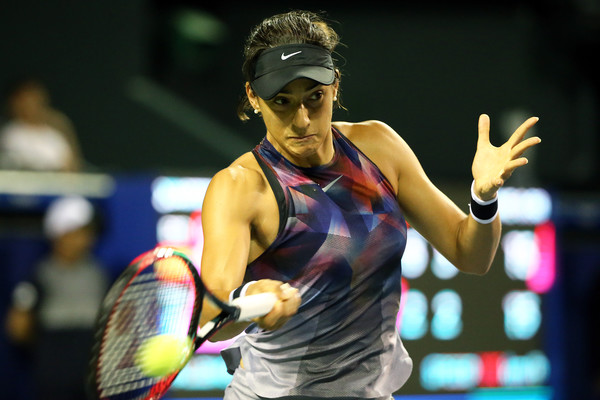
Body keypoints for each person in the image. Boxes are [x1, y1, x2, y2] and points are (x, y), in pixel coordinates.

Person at [198, 10, 541, 400]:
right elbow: (212, 317)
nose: (302, 119)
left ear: (335, 87)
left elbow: (471, 256)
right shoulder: (240, 187)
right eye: (282, 102)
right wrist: (250, 302)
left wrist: (483, 197)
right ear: (253, 98)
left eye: (315, 97)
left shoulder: (379, 147)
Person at [4, 196, 109, 400]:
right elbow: (18, 329)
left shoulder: (100, 274)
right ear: (58, 234)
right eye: (77, 232)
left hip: (92, 378)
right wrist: (52, 351)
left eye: (88, 232)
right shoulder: (37, 275)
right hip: (54, 378)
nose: (85, 239)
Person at [0, 78, 83, 171]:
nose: (30, 104)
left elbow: (72, 165)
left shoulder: (55, 132)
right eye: (24, 99)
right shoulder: (9, 133)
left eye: (34, 98)